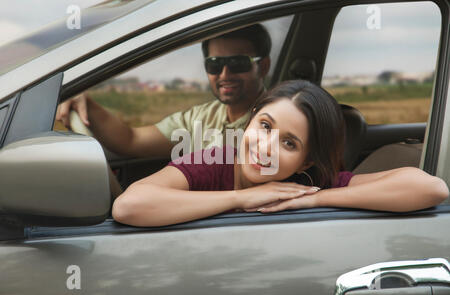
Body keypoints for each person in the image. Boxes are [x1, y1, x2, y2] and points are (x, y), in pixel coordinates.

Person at [111, 80, 449, 227]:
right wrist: (239, 198)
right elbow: (130, 206)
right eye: (265, 126)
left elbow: (430, 189)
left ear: (307, 161)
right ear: (249, 123)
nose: (266, 147)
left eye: (289, 143)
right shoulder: (212, 161)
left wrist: (317, 200)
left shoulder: (309, 182)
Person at [56, 24, 271, 158]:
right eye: (214, 64)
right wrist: (82, 100)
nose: (224, 74)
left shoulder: (276, 119)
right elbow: (132, 140)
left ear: (263, 67)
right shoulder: (200, 117)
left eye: (237, 63)